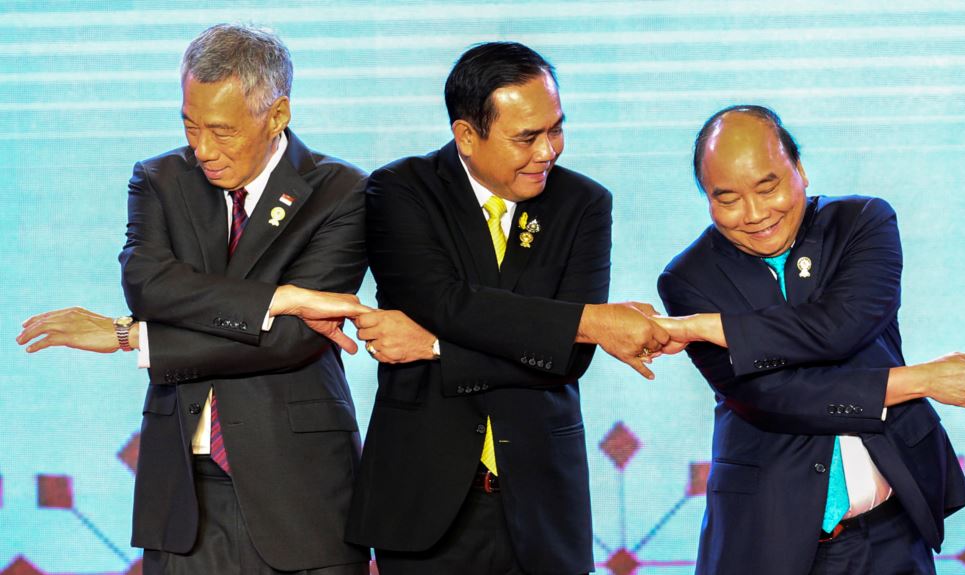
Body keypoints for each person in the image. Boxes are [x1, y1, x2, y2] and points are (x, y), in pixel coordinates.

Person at [17, 24, 372, 575]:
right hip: (181, 491)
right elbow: (148, 285)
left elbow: (290, 339)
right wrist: (276, 298)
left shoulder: (341, 190)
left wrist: (135, 337)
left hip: (299, 488)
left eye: (222, 131)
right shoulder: (160, 179)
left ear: (277, 114)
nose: (203, 149)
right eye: (190, 125)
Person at [315, 42, 669, 575]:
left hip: (543, 503)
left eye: (556, 130)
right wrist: (588, 322)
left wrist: (434, 347)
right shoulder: (400, 191)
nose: (548, 151)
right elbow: (444, 302)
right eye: (526, 137)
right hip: (422, 500)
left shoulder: (583, 203)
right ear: (466, 135)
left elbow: (567, 360)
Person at [654, 105, 965, 575]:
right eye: (728, 199)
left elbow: (841, 328)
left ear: (800, 169)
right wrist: (922, 381)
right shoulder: (689, 278)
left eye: (767, 188)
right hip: (768, 535)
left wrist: (709, 327)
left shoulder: (861, 222)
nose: (755, 214)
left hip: (894, 527)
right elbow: (773, 399)